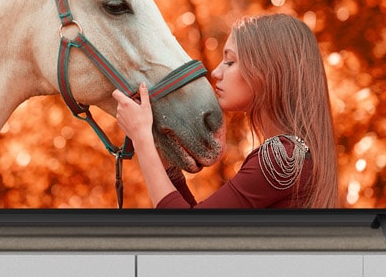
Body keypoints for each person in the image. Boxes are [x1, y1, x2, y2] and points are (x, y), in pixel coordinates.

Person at [112, 13, 339, 208]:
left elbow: (190, 234)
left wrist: (141, 139)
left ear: (268, 72)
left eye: (230, 62)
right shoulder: (294, 154)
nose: (216, 73)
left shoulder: (281, 157)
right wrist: (164, 160)